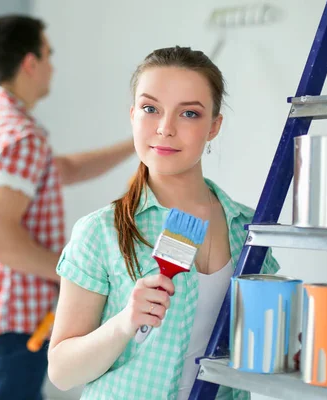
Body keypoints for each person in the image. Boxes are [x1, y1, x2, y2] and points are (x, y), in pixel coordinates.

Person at [47, 46, 280, 400]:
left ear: (214, 126)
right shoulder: (100, 232)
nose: (165, 128)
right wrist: (125, 322)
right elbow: (62, 373)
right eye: (150, 109)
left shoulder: (249, 230)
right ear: (132, 115)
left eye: (189, 113)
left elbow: (260, 351)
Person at [0, 15, 134, 400]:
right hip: (14, 320)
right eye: (49, 54)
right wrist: (71, 274)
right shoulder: (21, 137)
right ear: (30, 62)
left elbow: (59, 169)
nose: (53, 65)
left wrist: (137, 145)